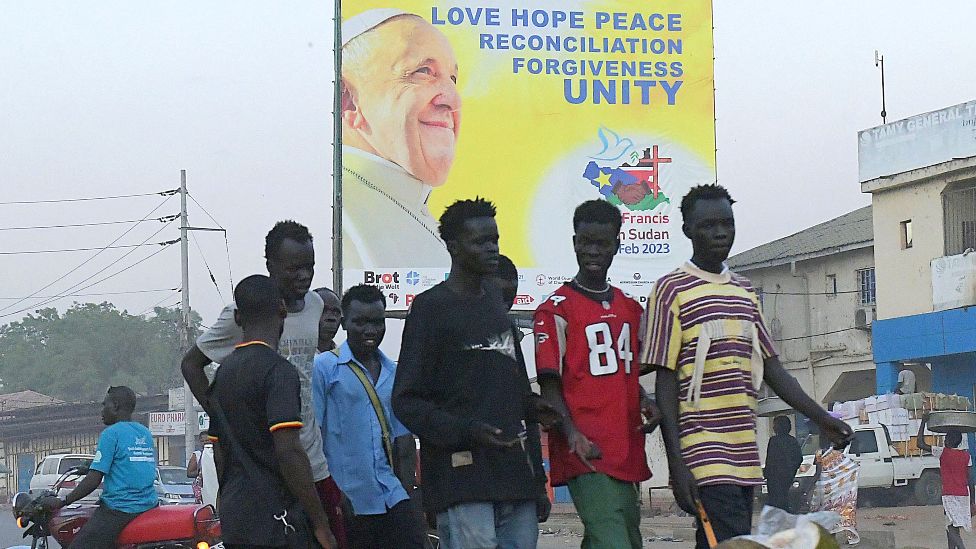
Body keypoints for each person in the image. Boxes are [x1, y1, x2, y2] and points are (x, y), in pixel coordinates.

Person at [641, 184, 853, 548]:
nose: (720, 232)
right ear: (687, 230)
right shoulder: (671, 290)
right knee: (727, 541)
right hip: (703, 453)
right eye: (708, 225)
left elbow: (773, 370)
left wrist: (822, 417)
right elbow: (665, 380)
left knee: (726, 543)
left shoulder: (746, 292)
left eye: (727, 223)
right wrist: (677, 465)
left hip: (746, 456)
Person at [393, 198, 545, 549]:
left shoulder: (496, 306)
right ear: (454, 247)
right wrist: (466, 431)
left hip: (515, 481)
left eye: (494, 240)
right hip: (462, 482)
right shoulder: (430, 309)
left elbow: (517, 389)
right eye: (480, 242)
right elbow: (406, 401)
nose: (492, 248)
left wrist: (536, 409)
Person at [181, 221, 342, 535]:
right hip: (267, 462)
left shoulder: (315, 305)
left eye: (309, 266)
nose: (304, 276)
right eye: (294, 268)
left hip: (311, 456)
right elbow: (191, 365)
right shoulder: (242, 314)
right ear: (271, 266)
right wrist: (222, 416)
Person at [534, 200, 657, 549]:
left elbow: (627, 376)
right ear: (574, 242)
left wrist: (646, 401)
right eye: (585, 242)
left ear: (616, 245)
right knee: (613, 542)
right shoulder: (555, 310)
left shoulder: (631, 309)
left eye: (601, 243)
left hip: (627, 447)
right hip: (586, 449)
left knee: (626, 540)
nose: (592, 251)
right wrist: (571, 432)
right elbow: (550, 384)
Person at [207, 275, 334, 549]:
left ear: (238, 317)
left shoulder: (222, 374)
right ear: (282, 310)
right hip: (276, 519)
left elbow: (219, 453)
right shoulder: (279, 372)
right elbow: (288, 451)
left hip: (236, 518)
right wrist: (321, 523)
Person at [340, 9, 460, 268]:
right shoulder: (337, 212)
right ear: (348, 101)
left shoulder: (412, 204)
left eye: (453, 78)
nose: (453, 100)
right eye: (424, 72)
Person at [312, 284, 424, 549]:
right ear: (345, 323)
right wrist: (328, 496)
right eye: (359, 322)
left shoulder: (392, 373)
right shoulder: (325, 368)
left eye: (376, 322)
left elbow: (403, 440)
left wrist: (406, 493)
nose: (370, 330)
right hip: (347, 501)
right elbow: (312, 437)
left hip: (390, 496)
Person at [44, 386, 158, 549]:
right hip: (149, 505)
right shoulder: (144, 432)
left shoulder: (111, 434)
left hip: (120, 509)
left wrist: (63, 501)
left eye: (105, 405)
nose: (102, 410)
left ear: (116, 406)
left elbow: (93, 480)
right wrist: (92, 465)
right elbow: (130, 464)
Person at [493, 254, 553, 524]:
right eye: (499, 296)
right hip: (472, 484)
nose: (506, 305)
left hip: (517, 479)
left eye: (511, 297)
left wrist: (539, 484)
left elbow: (527, 415)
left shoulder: (511, 341)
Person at [918, 416, 974, 549]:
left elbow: (920, 443)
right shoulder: (967, 456)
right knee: (954, 525)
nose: (944, 440)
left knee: (950, 526)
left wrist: (923, 422)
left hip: (949, 495)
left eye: (946, 438)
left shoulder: (943, 452)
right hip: (964, 495)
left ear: (948, 440)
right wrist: (972, 501)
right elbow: (970, 480)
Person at [811, 429, 859, 545]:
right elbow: (848, 467)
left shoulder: (819, 453)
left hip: (824, 490)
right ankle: (846, 538)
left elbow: (817, 471)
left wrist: (810, 485)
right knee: (840, 512)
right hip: (837, 489)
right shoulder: (838, 453)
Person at [764, 416, 803, 512]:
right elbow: (799, 458)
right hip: (787, 477)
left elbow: (770, 460)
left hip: (774, 479)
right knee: (784, 502)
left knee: (776, 504)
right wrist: (792, 469)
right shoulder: (793, 441)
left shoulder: (773, 441)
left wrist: (766, 474)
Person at [315, 287, 343, 354]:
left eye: (336, 312)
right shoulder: (293, 357)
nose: (331, 318)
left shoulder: (345, 357)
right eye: (323, 310)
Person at [188, 430, 210, 503]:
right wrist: (201, 472)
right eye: (202, 441)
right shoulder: (197, 455)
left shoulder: (217, 453)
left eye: (207, 440)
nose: (205, 443)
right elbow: (189, 473)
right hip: (203, 488)